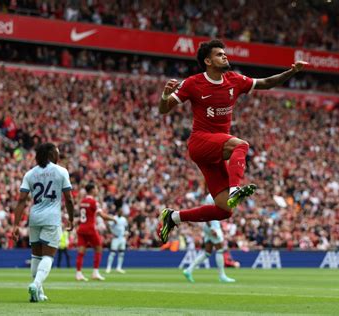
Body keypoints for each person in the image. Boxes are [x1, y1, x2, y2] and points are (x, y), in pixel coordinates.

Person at [158, 39, 308, 243]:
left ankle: (173, 217)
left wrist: (292, 72)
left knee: (224, 210)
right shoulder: (193, 83)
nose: (225, 56)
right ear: (208, 61)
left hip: (215, 151)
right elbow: (163, 109)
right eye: (219, 54)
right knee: (241, 145)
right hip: (200, 142)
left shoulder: (234, 80)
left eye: (224, 53)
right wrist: (165, 95)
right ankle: (235, 188)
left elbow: (266, 83)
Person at [12, 142, 75, 302]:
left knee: (36, 256)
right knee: (48, 256)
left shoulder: (30, 174)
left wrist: (15, 225)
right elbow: (68, 198)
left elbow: (21, 201)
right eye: (57, 152)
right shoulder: (61, 171)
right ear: (52, 155)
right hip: (51, 218)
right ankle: (35, 284)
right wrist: (71, 218)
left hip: (35, 217)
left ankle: (38, 293)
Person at [183, 195, 235, 283]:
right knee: (220, 249)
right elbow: (206, 213)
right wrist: (211, 228)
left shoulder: (214, 195)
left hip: (210, 225)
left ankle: (188, 270)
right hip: (212, 225)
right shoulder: (212, 196)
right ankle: (222, 276)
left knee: (207, 252)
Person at [75, 183, 114, 281]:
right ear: (92, 190)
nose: (97, 190)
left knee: (81, 252)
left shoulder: (82, 201)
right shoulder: (93, 202)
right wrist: (113, 219)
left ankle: (78, 273)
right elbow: (102, 216)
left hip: (81, 228)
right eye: (96, 188)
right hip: (90, 229)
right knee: (98, 248)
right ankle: (95, 272)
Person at [106, 208, 128, 274]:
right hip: (116, 237)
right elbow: (108, 225)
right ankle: (108, 268)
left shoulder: (124, 219)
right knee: (112, 253)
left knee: (121, 253)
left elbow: (126, 227)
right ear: (117, 212)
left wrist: (126, 235)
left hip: (122, 238)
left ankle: (119, 267)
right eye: (120, 211)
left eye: (122, 212)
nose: (121, 213)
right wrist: (111, 233)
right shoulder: (114, 218)